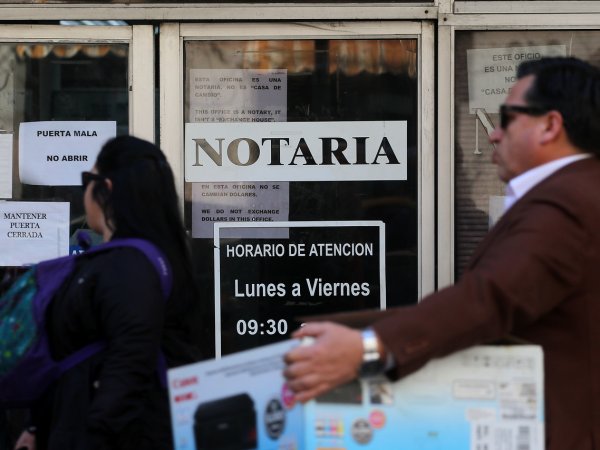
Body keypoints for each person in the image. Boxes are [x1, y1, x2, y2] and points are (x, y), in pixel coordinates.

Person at [284, 56, 600, 450]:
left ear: (550, 125)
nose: (493, 134)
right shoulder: (577, 192)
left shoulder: (569, 201)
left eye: (506, 118)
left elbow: (492, 297)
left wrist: (369, 347)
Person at [13, 136, 203, 450]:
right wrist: (39, 426)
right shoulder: (150, 261)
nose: (84, 191)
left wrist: (93, 437)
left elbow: (128, 364)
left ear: (107, 188)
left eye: (88, 179)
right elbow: (83, 358)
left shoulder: (130, 267)